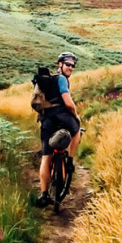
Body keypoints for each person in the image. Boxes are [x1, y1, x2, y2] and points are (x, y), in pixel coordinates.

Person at [37, 52, 81, 206]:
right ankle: (69, 160)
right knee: (77, 129)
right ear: (60, 64)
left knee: (46, 157)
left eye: (73, 65)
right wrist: (76, 116)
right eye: (68, 64)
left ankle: (43, 195)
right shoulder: (61, 79)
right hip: (61, 116)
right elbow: (68, 104)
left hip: (47, 120)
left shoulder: (48, 81)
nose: (71, 67)